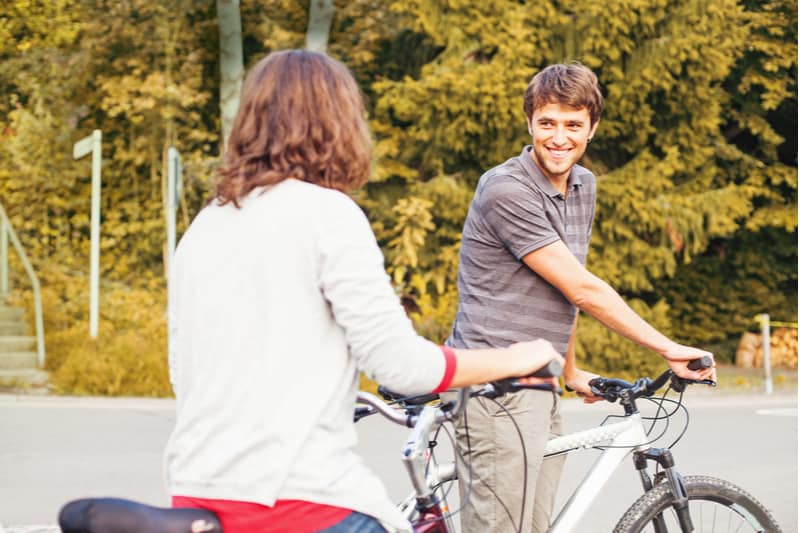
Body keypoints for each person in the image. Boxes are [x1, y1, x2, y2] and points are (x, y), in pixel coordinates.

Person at [163, 49, 563, 533]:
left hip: (197, 495)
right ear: (340, 123)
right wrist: (523, 357)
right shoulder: (327, 214)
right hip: (300, 501)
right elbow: (402, 366)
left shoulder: (207, 224)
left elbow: (184, 373)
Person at [444, 62, 716, 533]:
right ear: (530, 123)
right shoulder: (506, 188)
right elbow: (583, 290)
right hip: (493, 385)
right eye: (547, 122)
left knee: (533, 526)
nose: (559, 137)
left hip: (539, 381)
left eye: (573, 124)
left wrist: (569, 372)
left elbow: (565, 285)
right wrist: (668, 349)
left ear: (592, 128)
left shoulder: (582, 185)